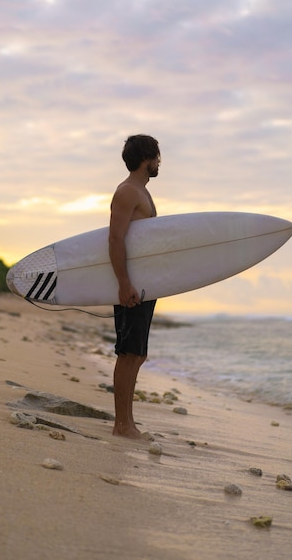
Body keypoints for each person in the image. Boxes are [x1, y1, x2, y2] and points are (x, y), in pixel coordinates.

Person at [109, 134, 161, 439]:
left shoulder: (141, 192)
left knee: (138, 354)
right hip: (131, 285)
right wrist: (123, 283)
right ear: (146, 158)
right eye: (157, 156)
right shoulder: (128, 192)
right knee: (128, 353)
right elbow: (115, 239)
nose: (159, 162)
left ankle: (127, 422)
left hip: (143, 284)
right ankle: (122, 426)